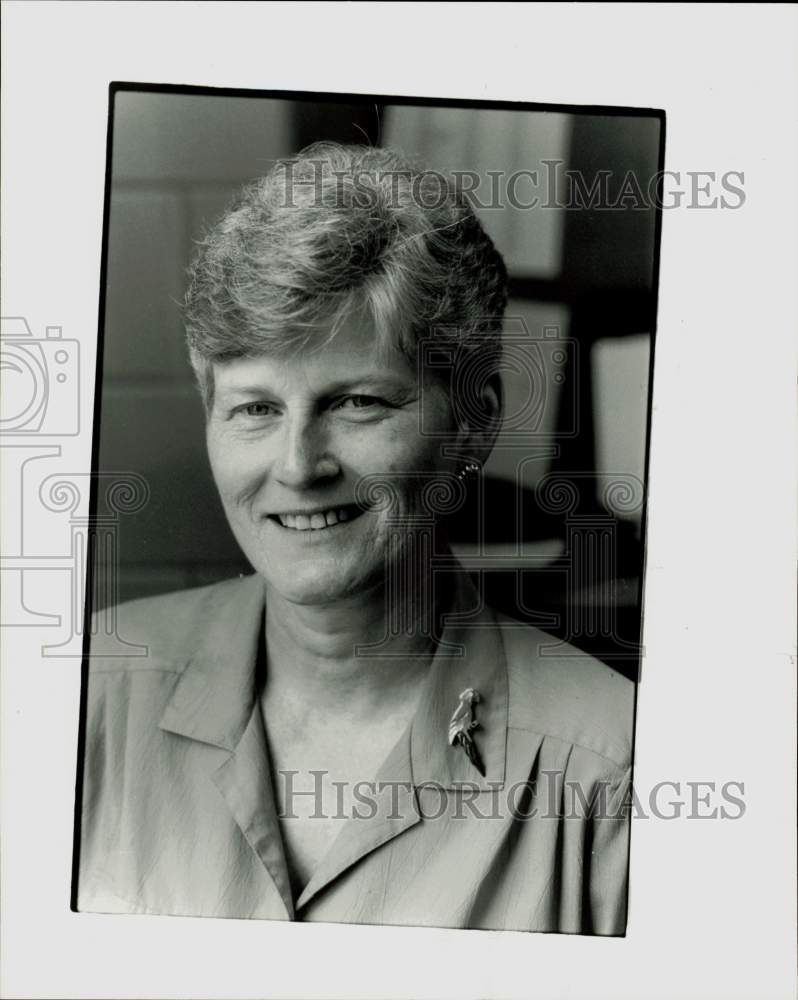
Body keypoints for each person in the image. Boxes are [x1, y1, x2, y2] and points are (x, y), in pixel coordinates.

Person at [75, 143, 634, 935]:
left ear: (474, 422)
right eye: (255, 409)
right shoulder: (86, 696)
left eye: (359, 403)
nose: (299, 466)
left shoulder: (611, 767)